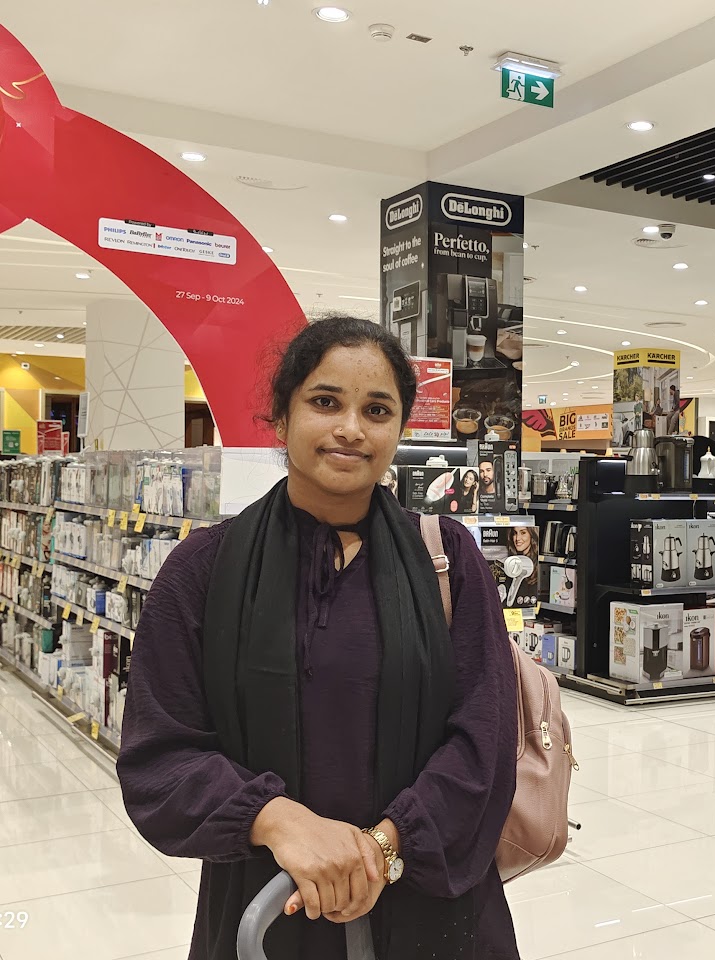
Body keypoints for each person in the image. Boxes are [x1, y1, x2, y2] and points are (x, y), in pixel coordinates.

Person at [117, 316, 520, 960]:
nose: (351, 429)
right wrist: (278, 820)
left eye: (377, 410)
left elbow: (485, 740)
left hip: (431, 911)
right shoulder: (204, 570)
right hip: (268, 907)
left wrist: (384, 847)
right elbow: (159, 759)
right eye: (325, 402)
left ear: (400, 429)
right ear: (281, 417)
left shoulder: (448, 560)